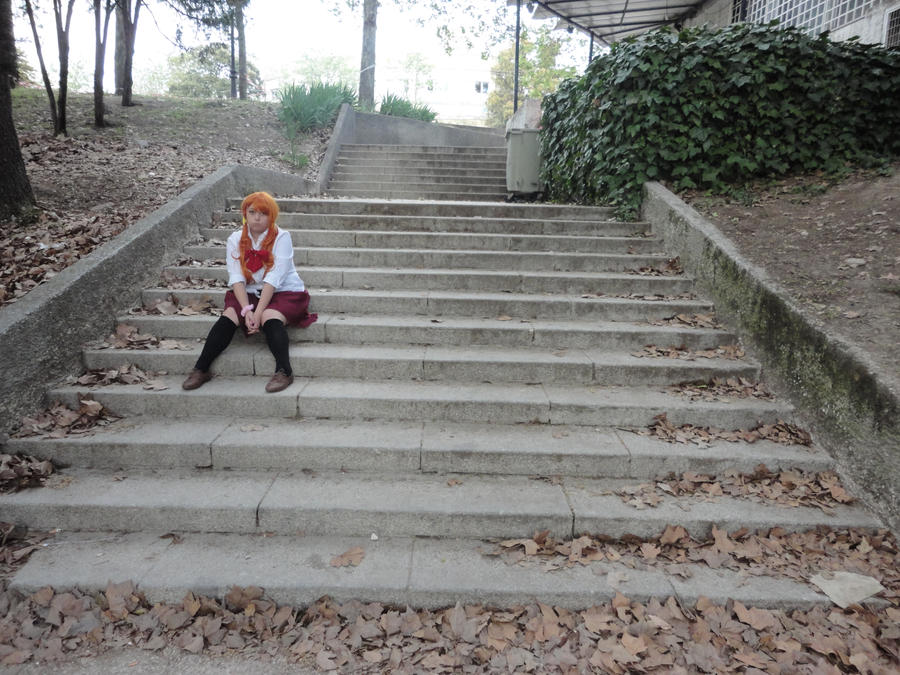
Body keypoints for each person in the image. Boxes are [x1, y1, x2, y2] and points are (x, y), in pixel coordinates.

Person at [182, 191, 317, 393]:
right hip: (250, 292)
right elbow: (236, 277)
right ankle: (201, 369)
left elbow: (274, 278)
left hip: (284, 291)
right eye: (252, 212)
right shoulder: (235, 239)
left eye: (263, 213)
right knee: (229, 316)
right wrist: (246, 310)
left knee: (270, 317)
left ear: (271, 216)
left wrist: (258, 312)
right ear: (245, 213)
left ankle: (284, 371)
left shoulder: (282, 237)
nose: (256, 217)